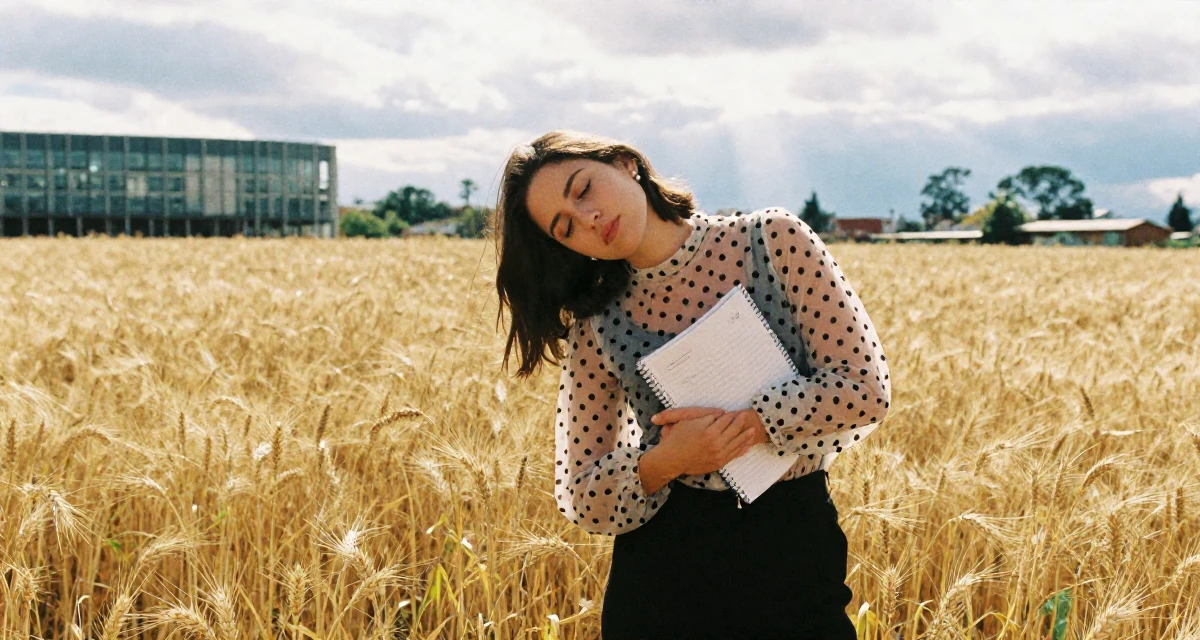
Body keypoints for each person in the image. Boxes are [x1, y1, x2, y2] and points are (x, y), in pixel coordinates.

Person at [493, 130, 891, 640]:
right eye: (565, 228)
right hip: (663, 566)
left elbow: (864, 388)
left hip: (790, 540)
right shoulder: (596, 325)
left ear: (624, 163)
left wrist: (746, 426)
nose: (588, 220)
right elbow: (582, 491)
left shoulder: (773, 240)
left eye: (583, 189)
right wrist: (671, 458)